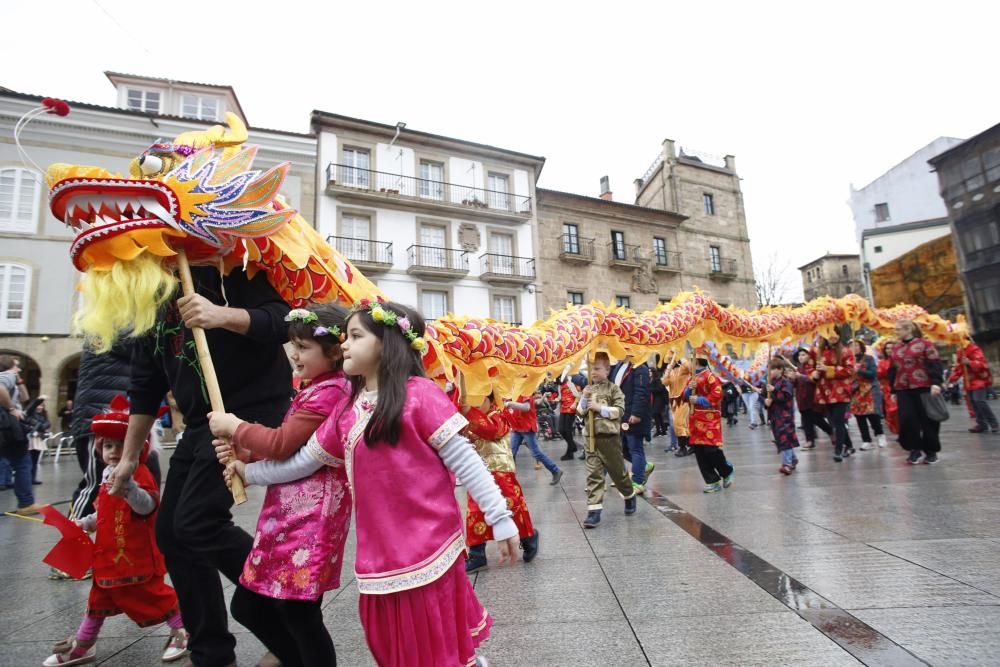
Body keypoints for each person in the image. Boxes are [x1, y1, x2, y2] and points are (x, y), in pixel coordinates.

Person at [272, 300, 516, 667]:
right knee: (392, 651)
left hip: (428, 550)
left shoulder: (418, 393)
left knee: (433, 653)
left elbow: (465, 460)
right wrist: (250, 471)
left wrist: (500, 516)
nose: (345, 345)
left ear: (385, 343)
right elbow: (304, 461)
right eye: (345, 337)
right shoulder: (347, 409)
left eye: (355, 336)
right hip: (378, 559)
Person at [108, 267, 296, 667]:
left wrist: (219, 314)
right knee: (172, 534)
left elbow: (283, 321)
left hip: (247, 411)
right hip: (200, 422)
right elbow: (145, 386)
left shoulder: (225, 267)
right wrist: (127, 458)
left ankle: (288, 608)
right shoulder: (149, 298)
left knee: (197, 521)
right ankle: (211, 652)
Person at [206, 306, 351, 667]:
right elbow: (287, 449)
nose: (294, 354)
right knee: (254, 606)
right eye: (292, 345)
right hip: (288, 516)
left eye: (303, 347)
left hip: (310, 521)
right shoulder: (315, 388)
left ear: (334, 351)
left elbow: (282, 443)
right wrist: (246, 454)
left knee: (298, 613)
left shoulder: (332, 391)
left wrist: (236, 426)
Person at [43, 395, 189, 666]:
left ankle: (183, 628)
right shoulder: (108, 473)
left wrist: (129, 488)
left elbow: (147, 507)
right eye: (108, 445)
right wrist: (87, 522)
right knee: (97, 600)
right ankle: (84, 644)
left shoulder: (139, 472)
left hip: (134, 552)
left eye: (121, 445)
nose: (113, 451)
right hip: (109, 553)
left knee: (153, 594)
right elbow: (106, 511)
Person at [461, 394, 539, 573]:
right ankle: (477, 553)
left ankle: (529, 538)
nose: (474, 405)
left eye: (478, 400)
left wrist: (469, 414)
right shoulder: (474, 416)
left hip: (502, 471)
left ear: (491, 399)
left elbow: (491, 430)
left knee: (512, 508)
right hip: (478, 471)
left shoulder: (500, 414)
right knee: (475, 510)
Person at [578, 352, 637, 528]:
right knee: (593, 475)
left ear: (607, 369)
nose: (593, 372)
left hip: (609, 438)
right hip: (591, 439)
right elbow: (580, 411)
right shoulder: (588, 389)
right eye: (591, 369)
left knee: (618, 474)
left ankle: (629, 495)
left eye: (597, 368)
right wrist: (584, 397)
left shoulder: (613, 389)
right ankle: (594, 511)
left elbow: (619, 411)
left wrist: (599, 407)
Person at [890, 320, 945, 464]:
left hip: (924, 386)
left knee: (928, 420)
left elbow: (935, 363)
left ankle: (931, 450)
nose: (896, 332)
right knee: (907, 419)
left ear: (908, 329)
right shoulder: (896, 348)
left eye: (898, 329)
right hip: (903, 388)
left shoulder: (925, 345)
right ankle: (914, 448)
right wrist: (893, 390)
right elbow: (893, 369)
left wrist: (936, 382)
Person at [687, 350, 735, 493]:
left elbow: (718, 395)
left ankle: (726, 471)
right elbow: (685, 396)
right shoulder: (692, 378)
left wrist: (700, 400)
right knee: (699, 451)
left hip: (709, 418)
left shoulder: (711, 377)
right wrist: (689, 391)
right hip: (695, 418)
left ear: (697, 362)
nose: (689, 364)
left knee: (711, 449)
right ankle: (711, 480)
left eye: (691, 361)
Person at [0, 354, 39, 515]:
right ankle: (26, 503)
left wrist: (20, 381)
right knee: (22, 462)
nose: (19, 369)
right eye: (16, 365)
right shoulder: (6, 376)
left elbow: (25, 397)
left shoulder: (12, 378)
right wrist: (11, 409)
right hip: (7, 427)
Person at [812, 332, 856, 462]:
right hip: (825, 391)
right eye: (829, 333)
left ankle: (838, 450)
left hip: (841, 391)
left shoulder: (846, 351)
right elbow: (817, 370)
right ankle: (849, 445)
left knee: (838, 421)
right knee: (835, 421)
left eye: (836, 333)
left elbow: (850, 370)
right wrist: (815, 373)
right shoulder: (820, 351)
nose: (833, 336)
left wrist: (829, 369)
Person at [612, 355, 654, 492]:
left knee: (635, 447)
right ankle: (644, 466)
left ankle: (638, 481)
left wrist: (636, 413)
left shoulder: (639, 367)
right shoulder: (618, 366)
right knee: (623, 448)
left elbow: (641, 392)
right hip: (621, 414)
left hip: (634, 414)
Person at [505, 392, 563, 485]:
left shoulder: (524, 389)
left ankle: (555, 470)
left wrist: (509, 404)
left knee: (536, 453)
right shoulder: (511, 390)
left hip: (526, 427)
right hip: (516, 426)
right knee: (511, 453)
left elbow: (526, 407)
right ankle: (509, 478)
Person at [949, 338, 998, 434]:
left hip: (978, 380)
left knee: (979, 401)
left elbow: (982, 364)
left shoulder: (975, 349)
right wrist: (951, 379)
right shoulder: (960, 351)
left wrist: (970, 363)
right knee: (973, 403)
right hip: (968, 381)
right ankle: (982, 424)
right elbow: (959, 367)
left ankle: (994, 423)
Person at [793, 348, 833, 450]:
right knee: (806, 420)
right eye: (799, 355)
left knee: (817, 418)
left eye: (803, 355)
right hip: (802, 399)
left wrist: (800, 376)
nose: (800, 357)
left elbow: (813, 380)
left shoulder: (814, 367)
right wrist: (792, 378)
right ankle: (809, 441)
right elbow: (795, 384)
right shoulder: (798, 368)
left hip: (814, 398)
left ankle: (831, 432)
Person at [850, 339, 887, 450]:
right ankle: (866, 440)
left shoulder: (869, 359)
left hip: (868, 390)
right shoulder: (848, 360)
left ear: (861, 347)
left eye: (856, 345)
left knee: (872, 414)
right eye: (851, 346)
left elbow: (873, 374)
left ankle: (880, 434)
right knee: (859, 416)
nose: (854, 348)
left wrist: (859, 370)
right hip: (855, 391)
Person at [765, 359, 799, 474]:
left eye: (773, 369)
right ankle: (793, 458)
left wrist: (774, 391)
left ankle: (787, 463)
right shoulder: (770, 382)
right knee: (778, 439)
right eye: (770, 369)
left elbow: (786, 396)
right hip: (774, 416)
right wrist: (766, 401)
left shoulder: (785, 382)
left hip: (785, 416)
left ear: (780, 369)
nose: (771, 372)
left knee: (786, 439)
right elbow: (766, 396)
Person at [665, 357, 694, 457]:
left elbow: (691, 368)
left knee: (679, 423)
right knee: (679, 424)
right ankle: (690, 445)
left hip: (683, 398)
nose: (670, 360)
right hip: (673, 400)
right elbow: (664, 382)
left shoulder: (683, 368)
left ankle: (683, 447)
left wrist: (682, 358)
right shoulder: (671, 371)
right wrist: (668, 369)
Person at [556, 371, 585, 460]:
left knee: (568, 431)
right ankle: (573, 446)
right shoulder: (560, 384)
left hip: (571, 408)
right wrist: (557, 399)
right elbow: (560, 396)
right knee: (561, 429)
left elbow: (579, 393)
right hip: (563, 408)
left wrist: (575, 404)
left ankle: (570, 452)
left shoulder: (572, 382)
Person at [876, 340, 900, 436]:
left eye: (891, 348)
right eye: (887, 348)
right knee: (891, 411)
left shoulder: (899, 360)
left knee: (899, 410)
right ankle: (898, 431)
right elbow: (878, 375)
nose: (889, 350)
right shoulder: (882, 362)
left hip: (899, 388)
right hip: (887, 389)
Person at [24, 397, 50, 485]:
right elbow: (31, 407)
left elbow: (47, 424)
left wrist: (40, 426)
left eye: (41, 406)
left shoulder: (44, 416)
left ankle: (32, 478)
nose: (40, 407)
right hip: (30, 439)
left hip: (39, 439)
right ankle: (27, 478)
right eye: (38, 405)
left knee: (35, 460)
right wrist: (39, 400)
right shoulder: (31, 414)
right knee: (29, 460)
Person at [650, 365, 670, 436]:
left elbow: (659, 389)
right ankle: (662, 430)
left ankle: (659, 430)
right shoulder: (650, 379)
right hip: (654, 399)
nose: (649, 373)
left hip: (659, 399)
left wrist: (650, 390)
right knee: (658, 415)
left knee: (656, 414)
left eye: (650, 372)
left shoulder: (657, 379)